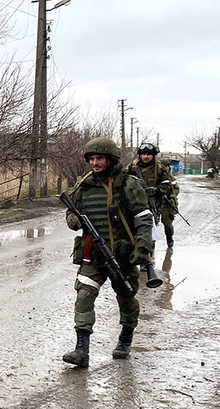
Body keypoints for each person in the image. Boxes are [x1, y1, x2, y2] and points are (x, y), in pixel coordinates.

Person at [62, 137, 154, 368]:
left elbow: (143, 219)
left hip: (123, 254)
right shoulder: (84, 186)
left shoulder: (128, 184)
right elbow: (70, 212)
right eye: (91, 159)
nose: (95, 163)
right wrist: (74, 219)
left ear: (110, 159)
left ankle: (125, 338)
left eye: (99, 158)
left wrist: (143, 249)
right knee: (83, 295)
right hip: (93, 253)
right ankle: (81, 350)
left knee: (126, 296)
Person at [129, 142, 180, 247]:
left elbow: (167, 186)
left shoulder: (159, 169)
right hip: (135, 203)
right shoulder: (132, 167)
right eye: (143, 154)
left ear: (153, 156)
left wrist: (156, 190)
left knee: (156, 227)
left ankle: (151, 252)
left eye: (148, 154)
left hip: (154, 203)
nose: (146, 157)